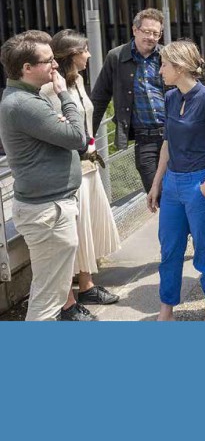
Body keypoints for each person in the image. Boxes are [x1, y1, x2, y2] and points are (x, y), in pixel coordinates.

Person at [0, 31, 86, 320]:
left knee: (50, 291)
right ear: (27, 68)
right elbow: (77, 137)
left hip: (50, 207)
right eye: (48, 61)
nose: (55, 66)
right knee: (48, 299)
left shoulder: (27, 97)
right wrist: (64, 95)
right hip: (47, 213)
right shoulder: (24, 104)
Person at [41, 31, 121, 311]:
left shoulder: (78, 81)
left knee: (86, 227)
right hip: (70, 168)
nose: (89, 55)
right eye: (85, 50)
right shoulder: (50, 90)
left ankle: (86, 286)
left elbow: (85, 120)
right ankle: (70, 297)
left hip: (88, 164)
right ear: (72, 54)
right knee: (74, 230)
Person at [147, 40, 205, 321]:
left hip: (200, 183)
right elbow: (168, 143)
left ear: (180, 68)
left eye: (165, 65)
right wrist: (157, 182)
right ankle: (166, 311)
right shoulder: (170, 98)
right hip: (172, 184)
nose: (160, 71)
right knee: (169, 250)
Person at [90, 8, 167, 193]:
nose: (151, 37)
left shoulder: (167, 55)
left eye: (156, 33)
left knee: (175, 191)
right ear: (135, 30)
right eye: (147, 31)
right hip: (144, 138)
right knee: (155, 192)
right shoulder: (116, 56)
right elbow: (100, 98)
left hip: (171, 135)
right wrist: (88, 138)